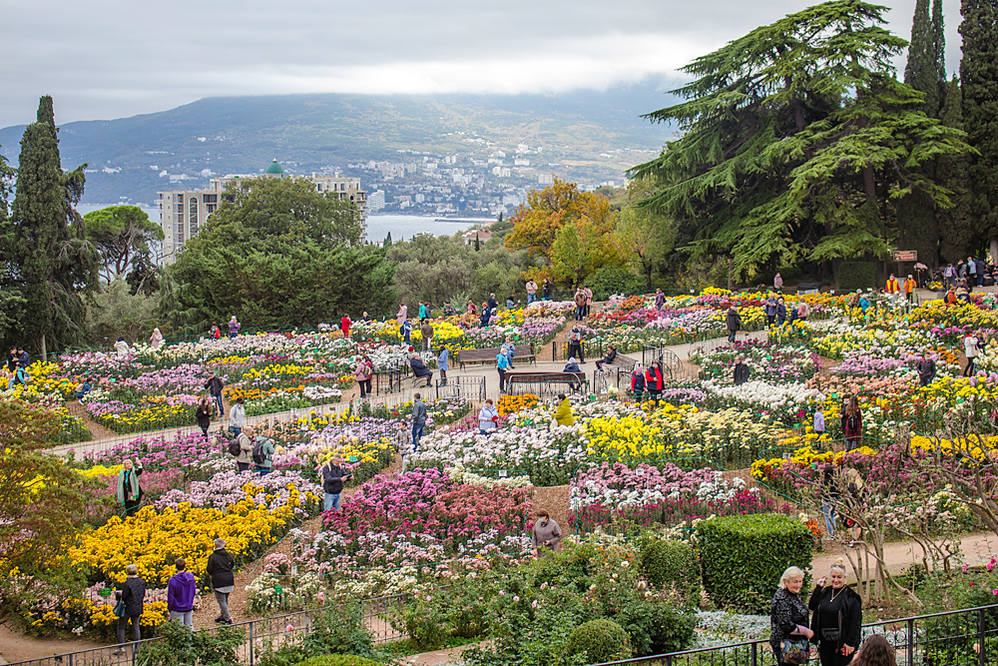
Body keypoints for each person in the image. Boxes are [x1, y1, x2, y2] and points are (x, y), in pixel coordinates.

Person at [809, 560, 862, 665]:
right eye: (833, 577)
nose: (836, 580)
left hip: (842, 643)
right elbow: (812, 606)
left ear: (845, 578)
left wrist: (850, 643)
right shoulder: (825, 592)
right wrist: (818, 588)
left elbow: (855, 622)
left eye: (839, 577)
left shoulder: (852, 597)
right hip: (825, 643)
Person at [770, 566, 812, 666]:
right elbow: (786, 624)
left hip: (795, 643)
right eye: (795, 582)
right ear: (786, 582)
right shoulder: (782, 597)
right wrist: (806, 631)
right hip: (785, 643)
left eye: (800, 581)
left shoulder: (792, 594)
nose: (799, 585)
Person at [113, 564, 145, 653]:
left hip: (127, 608)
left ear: (127, 572)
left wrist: (118, 594)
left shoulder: (127, 583)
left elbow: (124, 596)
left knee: (121, 627)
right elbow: (142, 594)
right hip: (138, 607)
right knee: (136, 626)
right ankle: (137, 647)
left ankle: (121, 647)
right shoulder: (141, 582)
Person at [206, 538, 235, 624]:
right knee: (225, 600)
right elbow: (232, 565)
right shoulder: (229, 555)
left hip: (219, 581)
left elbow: (209, 569)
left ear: (215, 546)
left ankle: (227, 618)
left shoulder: (212, 557)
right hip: (229, 579)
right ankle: (223, 616)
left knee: (221, 601)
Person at [167, 557, 196, 629]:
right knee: (189, 628)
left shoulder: (173, 580)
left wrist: (169, 608)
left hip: (177, 608)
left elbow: (170, 596)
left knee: (179, 630)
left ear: (175, 567)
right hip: (188, 606)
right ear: (185, 566)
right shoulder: (191, 577)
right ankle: (190, 640)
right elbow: (193, 591)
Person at [820, 463, 839, 540]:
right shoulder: (835, 481)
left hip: (826, 501)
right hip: (834, 501)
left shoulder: (824, 482)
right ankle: (834, 533)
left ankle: (831, 534)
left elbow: (822, 492)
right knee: (832, 517)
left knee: (827, 517)